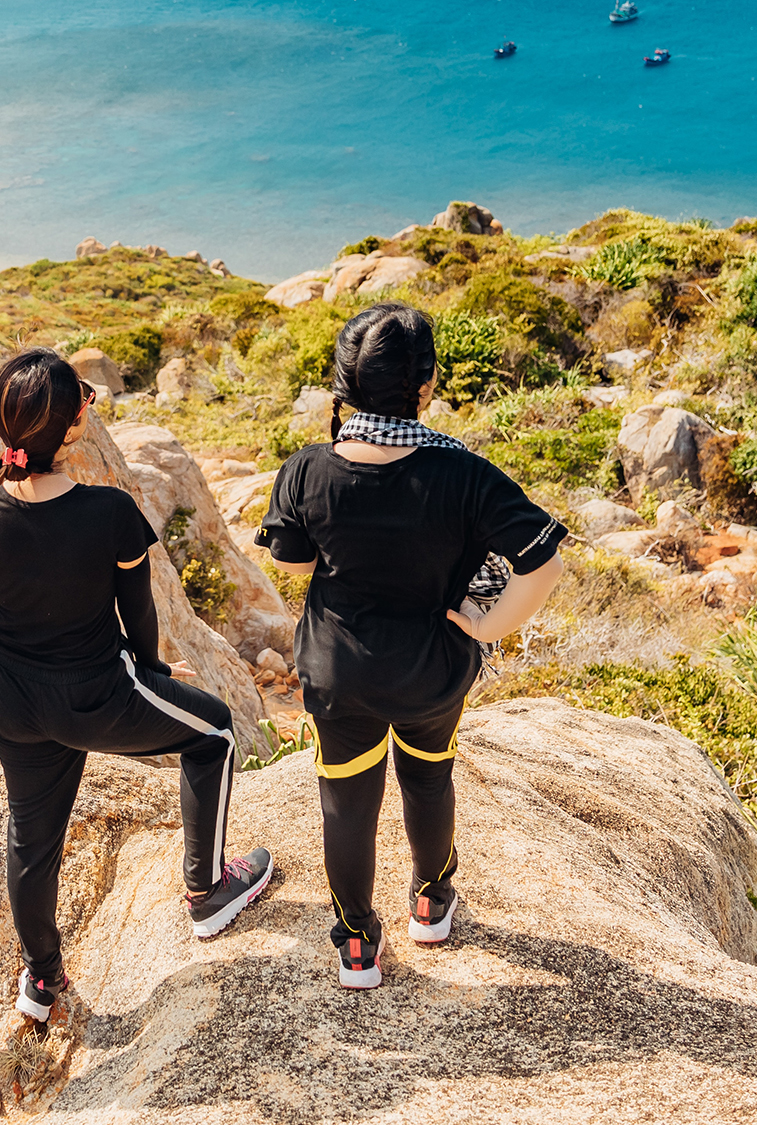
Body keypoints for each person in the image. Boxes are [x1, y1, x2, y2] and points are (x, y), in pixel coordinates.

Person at [0, 349, 274, 1021]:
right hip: (98, 693)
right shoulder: (108, 512)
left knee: (31, 840)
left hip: (15, 700)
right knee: (213, 731)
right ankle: (210, 889)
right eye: (85, 402)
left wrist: (8, 700)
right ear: (72, 430)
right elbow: (139, 615)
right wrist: (155, 676)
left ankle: (40, 979)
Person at [257, 302, 566, 989]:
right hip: (433, 670)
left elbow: (294, 562)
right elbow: (543, 563)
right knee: (429, 776)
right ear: (425, 386)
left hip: (340, 677)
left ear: (345, 383)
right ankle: (431, 900)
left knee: (347, 803)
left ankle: (358, 944)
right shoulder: (465, 475)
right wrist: (486, 626)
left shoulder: (307, 470)